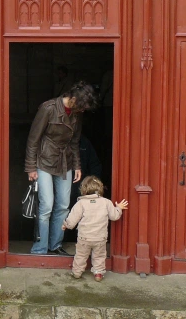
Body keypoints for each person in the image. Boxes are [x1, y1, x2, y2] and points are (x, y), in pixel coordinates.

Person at [25, 81, 98, 256]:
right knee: (46, 206)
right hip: (44, 160)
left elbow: (74, 141)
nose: (81, 111)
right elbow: (33, 139)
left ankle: (55, 245)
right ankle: (40, 248)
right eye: (80, 107)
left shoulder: (76, 113)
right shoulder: (48, 108)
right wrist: (30, 167)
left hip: (65, 162)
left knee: (64, 205)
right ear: (72, 98)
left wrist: (77, 166)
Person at [62, 175, 128, 281]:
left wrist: (66, 225)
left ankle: (77, 272)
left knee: (81, 256)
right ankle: (98, 274)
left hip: (84, 238)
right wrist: (119, 208)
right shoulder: (106, 202)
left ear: (83, 189)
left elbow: (72, 219)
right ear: (100, 188)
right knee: (99, 256)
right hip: (100, 238)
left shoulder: (81, 203)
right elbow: (114, 216)